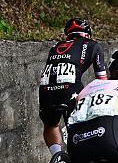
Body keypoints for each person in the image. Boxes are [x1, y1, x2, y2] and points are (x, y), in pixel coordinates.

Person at [39, 18, 107, 156]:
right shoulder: (92, 45)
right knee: (82, 126)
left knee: (51, 125)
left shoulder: (55, 47)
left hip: (46, 90)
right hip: (71, 89)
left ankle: (58, 159)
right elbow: (102, 80)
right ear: (87, 34)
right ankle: (82, 162)